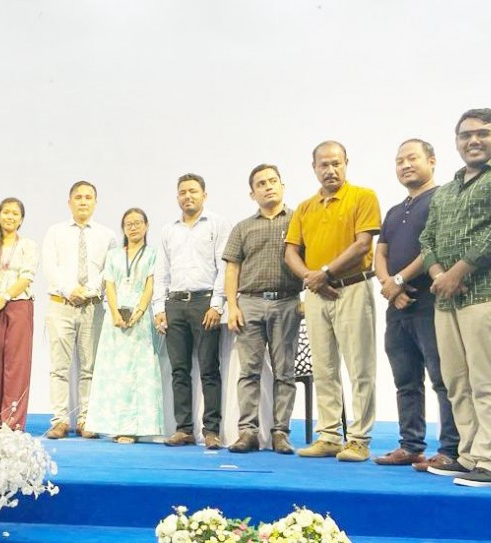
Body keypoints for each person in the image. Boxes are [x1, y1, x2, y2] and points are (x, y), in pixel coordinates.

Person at [420, 108, 491, 487]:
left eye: (483, 133)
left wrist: (457, 272)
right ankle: (469, 456)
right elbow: (426, 239)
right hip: (447, 299)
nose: (474, 140)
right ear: (457, 141)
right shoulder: (447, 190)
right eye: (466, 135)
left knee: (487, 378)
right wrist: (438, 275)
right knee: (456, 381)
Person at [285, 141, 381, 462]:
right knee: (324, 367)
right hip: (316, 294)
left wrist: (322, 273)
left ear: (346, 163)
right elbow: (290, 253)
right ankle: (328, 436)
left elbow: (362, 244)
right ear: (314, 168)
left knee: (360, 366)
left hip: (352, 288)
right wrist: (312, 278)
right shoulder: (304, 208)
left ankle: (358, 439)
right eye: (324, 164)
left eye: (336, 163)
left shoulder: (362, 197)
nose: (330, 170)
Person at [373, 140, 459, 470]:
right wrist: (389, 285)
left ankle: (450, 449)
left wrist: (399, 281)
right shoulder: (395, 211)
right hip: (397, 306)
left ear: (432, 161)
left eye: (412, 158)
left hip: (430, 302)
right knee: (405, 380)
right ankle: (410, 445)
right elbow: (380, 253)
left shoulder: (442, 199)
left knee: (442, 378)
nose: (405, 165)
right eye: (399, 160)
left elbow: (433, 246)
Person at [223, 165, 301, 455]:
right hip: (250, 303)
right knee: (249, 372)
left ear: (282, 185)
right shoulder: (242, 227)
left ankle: (280, 432)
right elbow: (232, 269)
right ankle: (248, 432)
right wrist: (232, 306)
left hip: (288, 301)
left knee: (285, 371)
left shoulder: (299, 220)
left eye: (272, 181)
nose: (267, 187)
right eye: (260, 184)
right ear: (252, 193)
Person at [154, 174, 230, 449]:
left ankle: (212, 430)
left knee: (209, 369)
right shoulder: (168, 230)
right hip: (175, 303)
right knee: (179, 370)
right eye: (183, 192)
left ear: (204, 195)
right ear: (177, 197)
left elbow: (224, 267)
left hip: (204, 302)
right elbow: (162, 271)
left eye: (193, 191)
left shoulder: (217, 225)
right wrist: (159, 307)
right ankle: (184, 429)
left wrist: (216, 304)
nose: (188, 196)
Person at [41, 181, 117, 439]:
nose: (83, 201)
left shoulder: (107, 236)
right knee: (59, 367)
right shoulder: (55, 232)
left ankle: (86, 419)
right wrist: (69, 289)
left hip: (92, 306)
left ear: (95, 202)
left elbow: (110, 270)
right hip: (61, 304)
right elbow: (50, 266)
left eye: (88, 197)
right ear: (69, 202)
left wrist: (89, 290)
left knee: (89, 367)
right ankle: (60, 420)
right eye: (78, 197)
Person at [84, 208, 163, 444]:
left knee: (137, 374)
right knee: (114, 374)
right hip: (115, 320)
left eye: (138, 222)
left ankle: (132, 428)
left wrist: (138, 312)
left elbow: (151, 285)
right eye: (128, 223)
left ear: (147, 226)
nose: (133, 227)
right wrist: (116, 313)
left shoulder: (153, 254)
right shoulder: (114, 255)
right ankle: (112, 424)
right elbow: (109, 285)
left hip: (140, 320)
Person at [0, 197, 37, 430]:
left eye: (15, 213)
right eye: (6, 212)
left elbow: (27, 277)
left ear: (21, 219)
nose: (10, 217)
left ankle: (12, 422)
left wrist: (3, 298)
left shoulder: (28, 246)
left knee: (17, 365)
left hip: (18, 306)